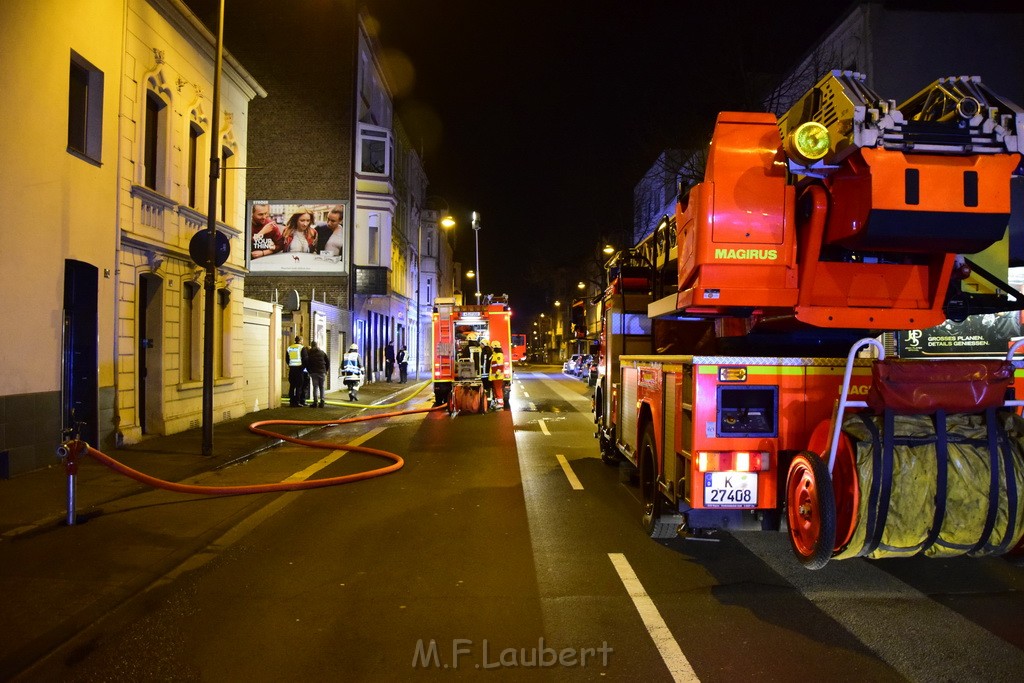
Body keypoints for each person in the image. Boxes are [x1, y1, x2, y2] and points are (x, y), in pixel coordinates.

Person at [304, 340, 329, 408]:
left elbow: (307, 363)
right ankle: (322, 402)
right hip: (322, 372)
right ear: (317, 345)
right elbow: (327, 361)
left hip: (313, 372)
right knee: (322, 387)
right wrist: (326, 370)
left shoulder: (309, 353)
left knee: (315, 387)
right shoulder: (322, 352)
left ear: (311, 346)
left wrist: (309, 371)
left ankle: (315, 402)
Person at [286, 335, 308, 407]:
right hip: (299, 370)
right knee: (299, 386)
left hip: (292, 369)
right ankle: (297, 402)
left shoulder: (289, 348)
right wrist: (302, 368)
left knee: (292, 385)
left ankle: (291, 401)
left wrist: (290, 365)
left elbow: (287, 359)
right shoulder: (302, 348)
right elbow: (305, 360)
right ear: (301, 340)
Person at [488, 340, 506, 410]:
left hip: (497, 376)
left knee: (498, 389)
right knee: (496, 389)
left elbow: (500, 366)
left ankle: (500, 403)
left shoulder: (499, 355)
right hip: (495, 376)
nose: (491, 348)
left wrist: (497, 374)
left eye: (492, 347)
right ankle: (498, 402)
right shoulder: (495, 354)